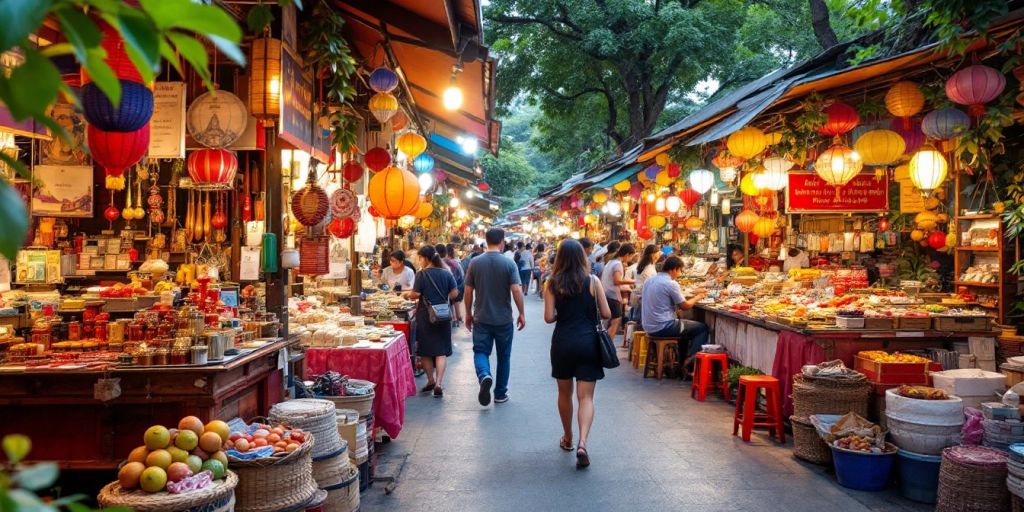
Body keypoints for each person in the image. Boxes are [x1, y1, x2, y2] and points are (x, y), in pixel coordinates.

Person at [543, 239, 611, 469]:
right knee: (586, 397)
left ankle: (568, 437)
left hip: (562, 342)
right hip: (588, 343)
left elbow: (548, 317)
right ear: (582, 257)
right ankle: (583, 443)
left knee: (564, 393)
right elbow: (606, 312)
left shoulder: (551, 283)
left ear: (559, 258)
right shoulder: (592, 281)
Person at [465, 228, 526, 406]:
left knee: (481, 351)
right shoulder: (509, 264)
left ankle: (484, 374)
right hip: (504, 319)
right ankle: (500, 394)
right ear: (502, 241)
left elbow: (468, 291)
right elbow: (516, 290)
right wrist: (521, 312)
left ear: (486, 240)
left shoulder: (475, 263)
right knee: (504, 356)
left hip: (481, 317)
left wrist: (468, 313)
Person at [403, 246, 458, 397]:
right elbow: (454, 293)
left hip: (425, 316)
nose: (419, 261)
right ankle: (439, 383)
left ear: (426, 258)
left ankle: (430, 380)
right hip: (442, 316)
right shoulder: (446, 273)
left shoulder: (422, 274)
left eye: (420, 258)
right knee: (441, 351)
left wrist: (407, 295)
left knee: (426, 351)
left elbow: (415, 294)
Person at [641, 256, 709, 375]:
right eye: (680, 270)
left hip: (649, 325)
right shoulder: (670, 283)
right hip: (663, 326)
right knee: (702, 328)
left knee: (685, 330)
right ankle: (690, 363)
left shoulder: (649, 280)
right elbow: (685, 306)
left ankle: (681, 363)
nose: (680, 273)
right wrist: (698, 297)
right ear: (674, 269)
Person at [600, 243, 635, 344]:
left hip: (606, 295)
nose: (630, 258)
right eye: (631, 256)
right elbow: (617, 281)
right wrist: (632, 281)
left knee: (609, 322)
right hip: (612, 296)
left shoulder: (611, 262)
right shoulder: (617, 264)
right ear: (627, 254)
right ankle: (608, 344)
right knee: (616, 321)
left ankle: (604, 344)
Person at [436, 244, 466, 328]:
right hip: (455, 290)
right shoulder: (455, 264)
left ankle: (452, 319)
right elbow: (461, 276)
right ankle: (455, 319)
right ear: (445, 253)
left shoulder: (432, 265)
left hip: (439, 296)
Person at [630, 244, 662, 321]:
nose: (659, 255)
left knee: (636, 320)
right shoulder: (649, 268)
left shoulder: (643, 265)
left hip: (638, 297)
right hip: (643, 298)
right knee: (640, 322)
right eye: (658, 253)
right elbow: (650, 286)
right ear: (653, 254)